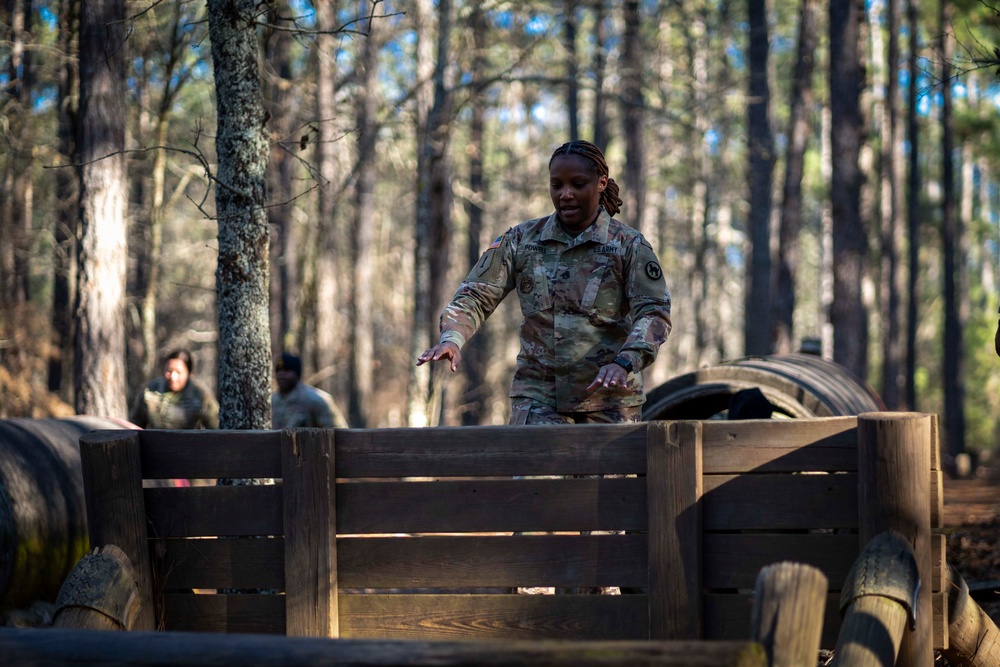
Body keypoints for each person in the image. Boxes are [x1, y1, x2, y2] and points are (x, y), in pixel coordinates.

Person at [417, 140, 672, 425]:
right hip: (537, 399)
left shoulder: (628, 245)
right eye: (556, 185)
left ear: (601, 183)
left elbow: (654, 312)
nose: (565, 195)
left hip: (610, 400)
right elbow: (476, 295)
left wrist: (626, 361)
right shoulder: (521, 240)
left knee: (608, 472)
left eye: (577, 184)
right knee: (537, 471)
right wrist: (452, 338)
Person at [129, 349, 219, 429]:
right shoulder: (150, 391)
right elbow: (135, 425)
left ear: (189, 373)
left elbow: (216, 428)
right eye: (169, 371)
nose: (173, 377)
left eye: (179, 372)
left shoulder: (200, 395)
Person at [271, 353, 348, 428]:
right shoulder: (272, 401)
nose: (281, 375)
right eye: (278, 371)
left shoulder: (315, 399)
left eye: (286, 371)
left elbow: (339, 431)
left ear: (296, 374)